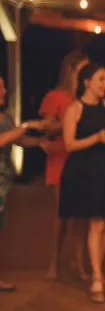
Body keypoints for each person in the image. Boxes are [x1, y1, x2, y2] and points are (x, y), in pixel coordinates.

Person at [59, 63, 105, 303]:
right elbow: (69, 144)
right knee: (94, 223)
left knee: (104, 227)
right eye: (100, 80)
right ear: (86, 82)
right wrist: (96, 138)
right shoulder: (74, 109)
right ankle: (97, 278)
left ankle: (95, 272)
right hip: (84, 171)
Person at [40, 51, 89, 280]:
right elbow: (47, 128)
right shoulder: (56, 96)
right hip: (61, 157)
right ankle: (54, 261)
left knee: (81, 215)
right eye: (83, 69)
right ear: (71, 70)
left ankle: (78, 263)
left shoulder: (85, 99)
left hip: (82, 158)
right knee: (62, 214)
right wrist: (69, 121)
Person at [0, 75, 46, 291]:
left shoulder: (6, 117)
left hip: (3, 184)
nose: (3, 92)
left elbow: (17, 139)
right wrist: (27, 125)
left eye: (3, 87)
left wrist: (41, 142)